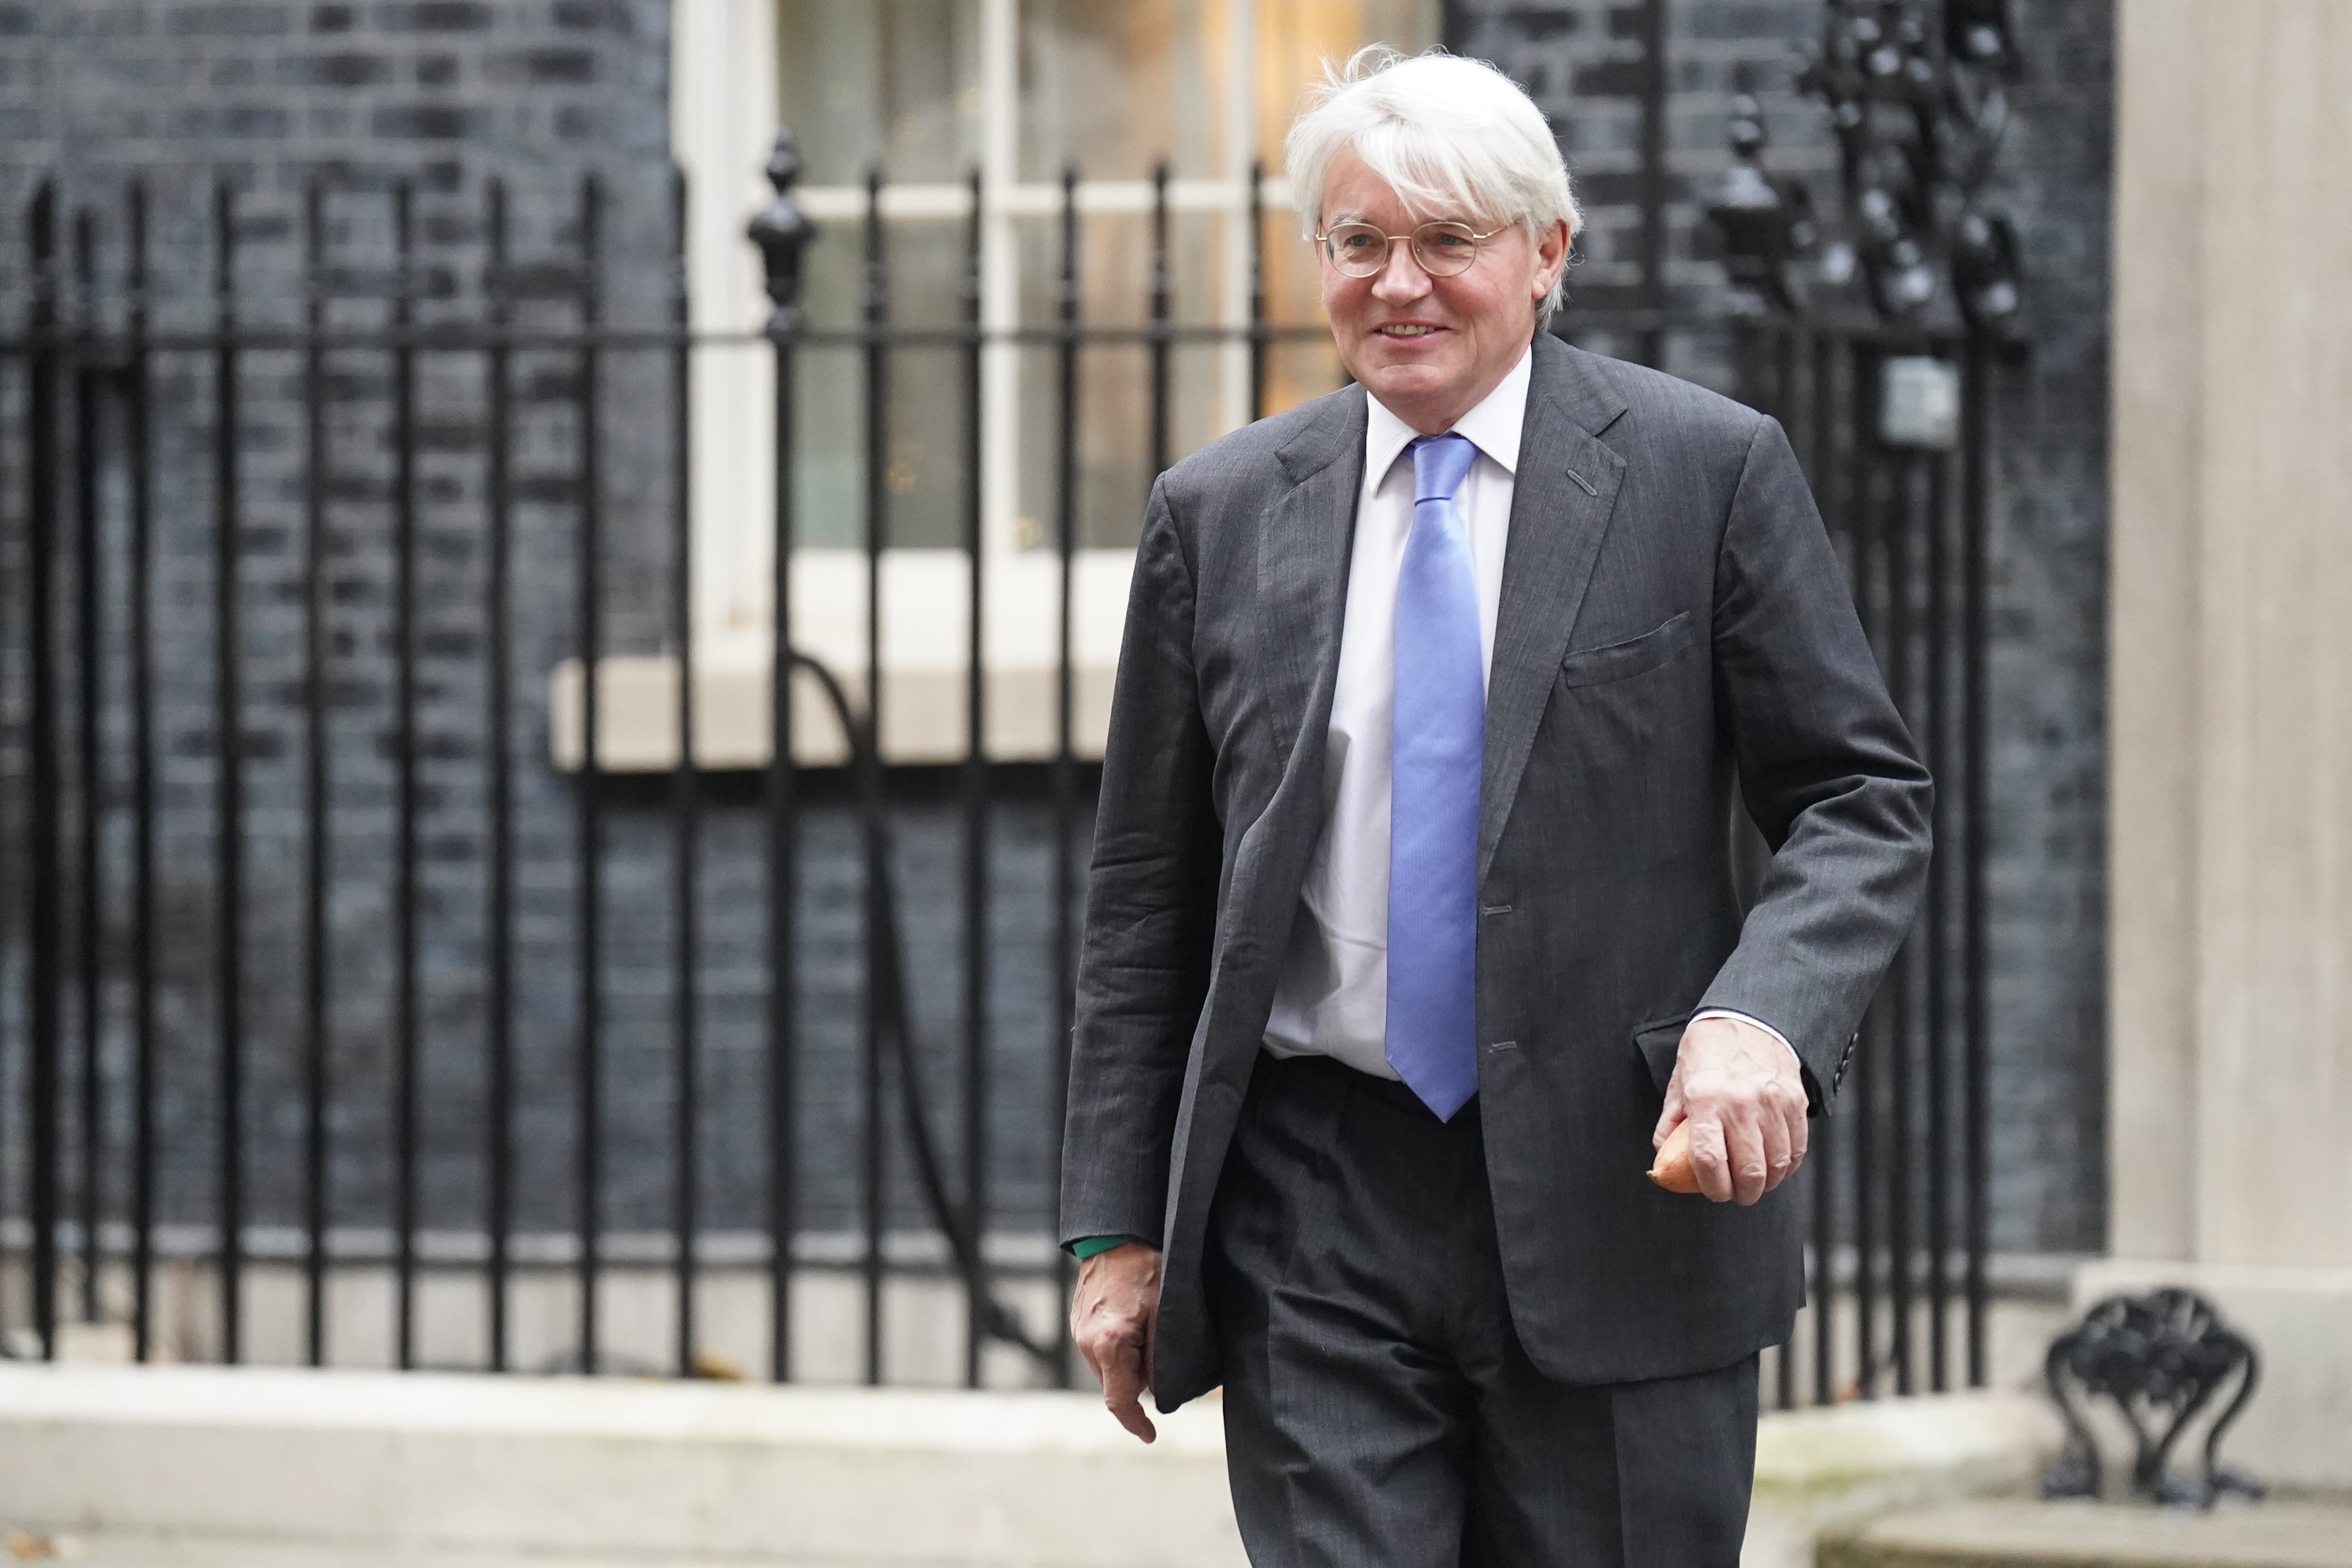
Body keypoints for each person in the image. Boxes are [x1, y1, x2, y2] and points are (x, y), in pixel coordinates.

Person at [1059, 46, 1931, 1568]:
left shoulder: (1704, 470)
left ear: (1549, 253)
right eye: (1359, 242)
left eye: (1449, 242)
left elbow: (1862, 796)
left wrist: (1765, 1015)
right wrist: (1113, 1225)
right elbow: (1149, 890)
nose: (1400, 285)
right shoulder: (1219, 510)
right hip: (1315, 1199)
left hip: (1622, 1191)